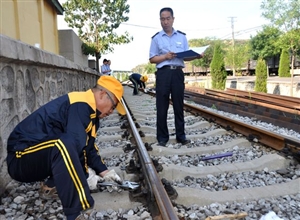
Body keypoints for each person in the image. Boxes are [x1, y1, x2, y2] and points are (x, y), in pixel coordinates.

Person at [6, 76, 126, 220]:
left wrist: (104, 172)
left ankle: (50, 187)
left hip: (39, 155)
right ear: (102, 94)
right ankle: (77, 212)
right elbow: (76, 145)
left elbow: (89, 147)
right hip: (21, 157)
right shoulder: (80, 105)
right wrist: (86, 176)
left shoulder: (92, 114)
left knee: (65, 144)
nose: (112, 111)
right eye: (113, 106)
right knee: (64, 144)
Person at [149, 7, 202, 147]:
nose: (165, 21)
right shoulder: (156, 38)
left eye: (168, 18)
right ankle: (162, 138)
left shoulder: (182, 36)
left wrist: (196, 55)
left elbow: (186, 56)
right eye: (162, 19)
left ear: (173, 19)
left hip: (177, 73)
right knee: (162, 106)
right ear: (160, 20)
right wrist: (165, 57)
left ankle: (181, 136)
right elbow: (152, 58)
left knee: (179, 105)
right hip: (163, 74)